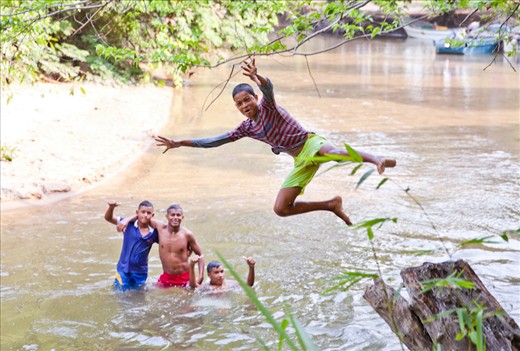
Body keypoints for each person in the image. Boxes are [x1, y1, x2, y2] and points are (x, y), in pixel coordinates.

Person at [155, 58, 396, 226]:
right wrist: (179, 143)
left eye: (246, 100)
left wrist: (257, 76)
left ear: (254, 98)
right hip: (300, 161)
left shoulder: (267, 106)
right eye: (238, 104)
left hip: (310, 143)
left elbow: (269, 88)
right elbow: (215, 141)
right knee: (281, 209)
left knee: (333, 152)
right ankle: (331, 204)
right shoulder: (246, 128)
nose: (244, 106)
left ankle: (376, 159)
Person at [119, 203, 205, 288]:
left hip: (184, 276)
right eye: (172, 215)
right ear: (167, 216)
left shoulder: (187, 234)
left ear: (182, 217)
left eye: (178, 215)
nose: (175, 218)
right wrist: (126, 220)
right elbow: (143, 217)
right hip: (167, 276)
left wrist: (201, 276)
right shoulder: (160, 228)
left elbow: (200, 254)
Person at [104, 200, 158, 291]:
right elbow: (108, 218)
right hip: (123, 270)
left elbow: (167, 243)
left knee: (139, 298)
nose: (145, 215)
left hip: (140, 272)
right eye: (142, 212)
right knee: (121, 295)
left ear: (152, 215)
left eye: (148, 213)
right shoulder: (127, 224)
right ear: (137, 213)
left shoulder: (154, 233)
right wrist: (111, 207)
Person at [188, 255, 255, 290]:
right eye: (216, 272)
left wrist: (251, 267)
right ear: (209, 275)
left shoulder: (230, 285)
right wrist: (192, 265)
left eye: (222, 272)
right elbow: (193, 285)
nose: (220, 275)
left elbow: (249, 284)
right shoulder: (207, 288)